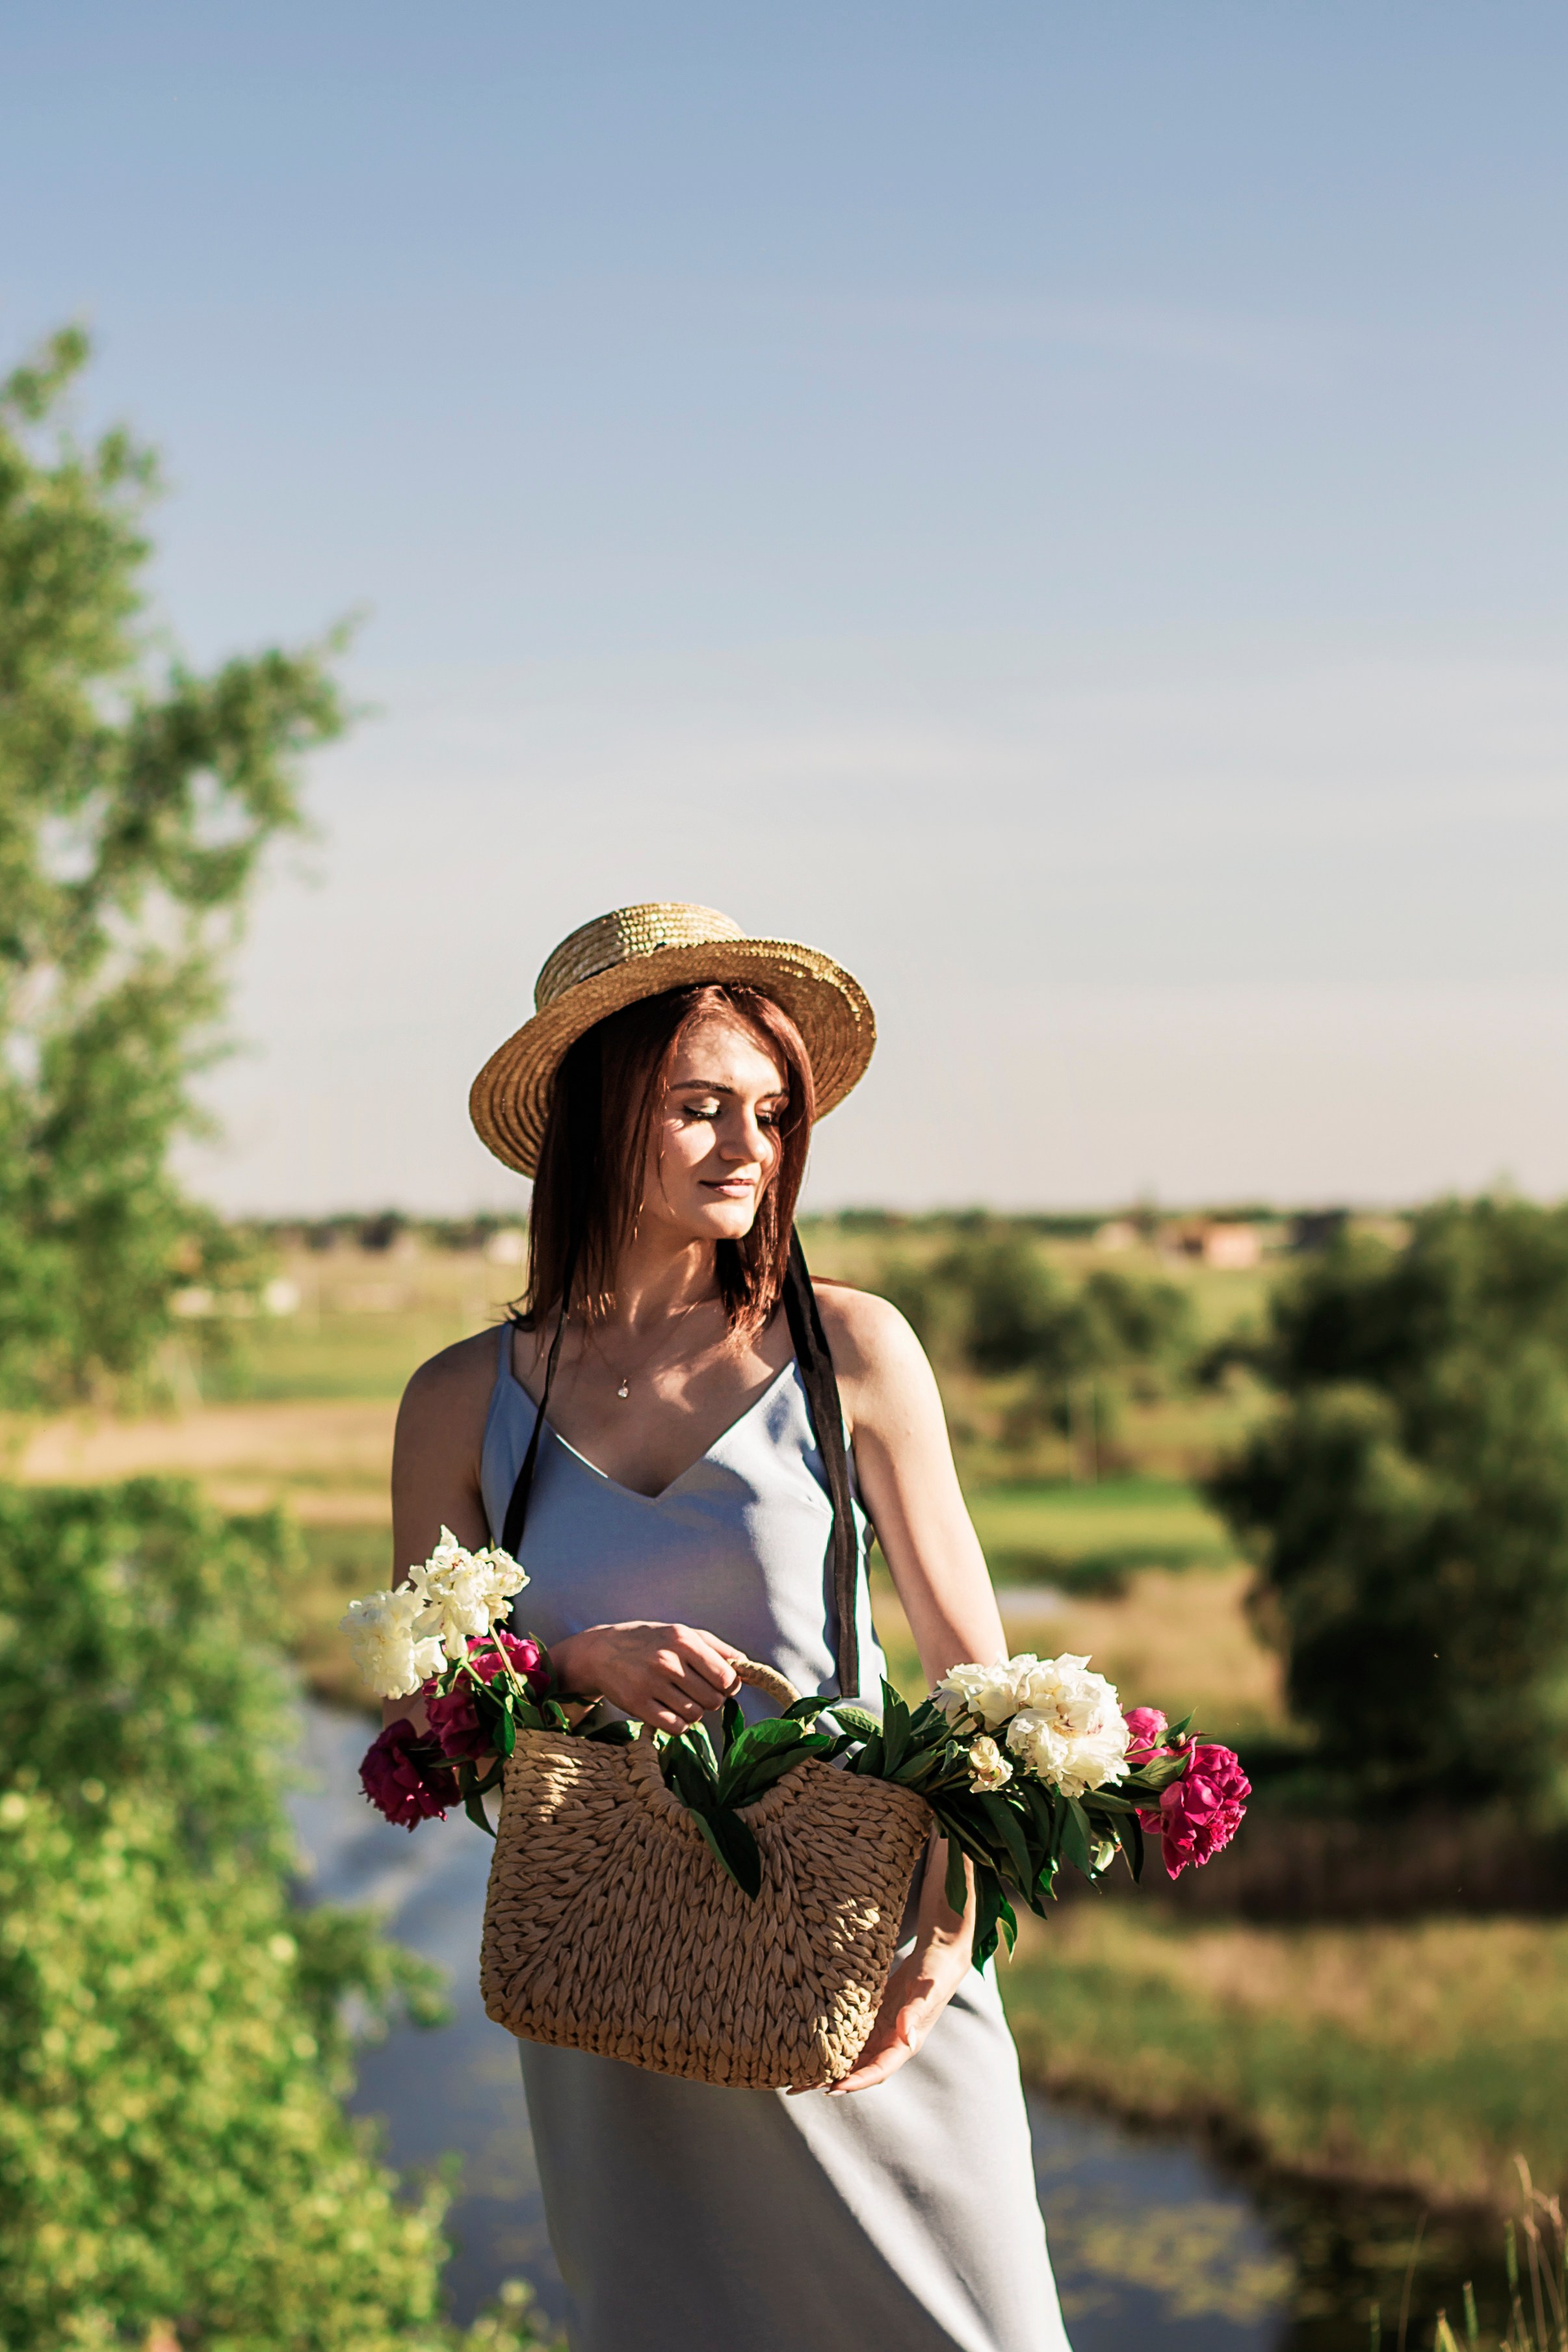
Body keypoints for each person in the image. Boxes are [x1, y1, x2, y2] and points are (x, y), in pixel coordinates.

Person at [390, 903, 1071, 2352]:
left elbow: (984, 1682)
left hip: (863, 1957)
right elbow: (427, 1727)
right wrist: (569, 1667)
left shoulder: (853, 1350)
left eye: (770, 1113)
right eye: (699, 1106)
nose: (748, 1147)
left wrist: (947, 1930)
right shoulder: (458, 1400)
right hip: (616, 1981)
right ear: (597, 1117)